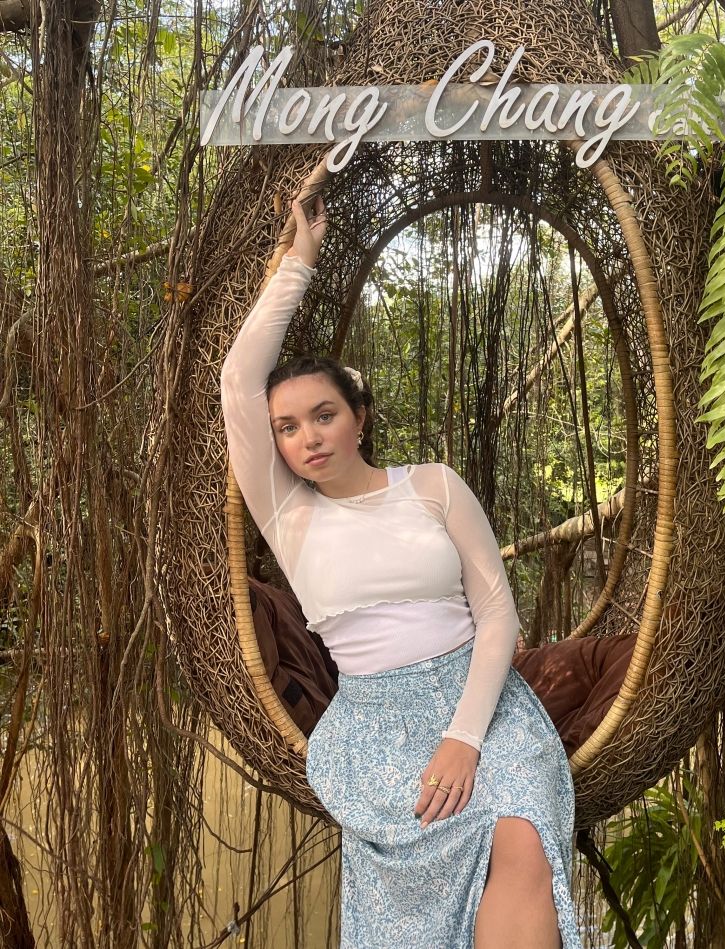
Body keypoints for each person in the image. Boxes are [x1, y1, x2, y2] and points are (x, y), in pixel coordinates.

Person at [219, 184, 583, 949]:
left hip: (483, 699)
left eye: (324, 414)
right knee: (417, 884)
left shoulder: (432, 486)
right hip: (375, 723)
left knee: (521, 831)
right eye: (287, 427)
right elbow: (234, 383)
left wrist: (466, 735)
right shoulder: (288, 517)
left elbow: (497, 615)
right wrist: (299, 263)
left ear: (359, 417)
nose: (307, 437)